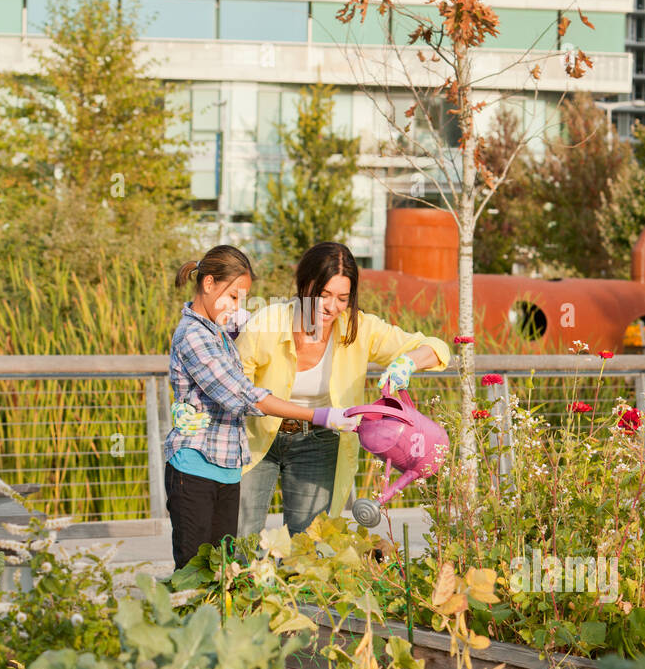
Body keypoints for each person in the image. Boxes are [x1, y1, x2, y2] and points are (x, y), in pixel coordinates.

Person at [235, 241, 451, 537]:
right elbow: (240, 393)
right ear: (304, 284)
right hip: (256, 438)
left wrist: (408, 363)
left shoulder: (358, 327)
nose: (331, 307)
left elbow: (437, 348)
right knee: (241, 535)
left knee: (307, 542)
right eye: (323, 295)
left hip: (318, 444)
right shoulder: (266, 324)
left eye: (342, 298)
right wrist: (317, 414)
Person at [164, 244, 360, 569]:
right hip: (194, 467)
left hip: (227, 469)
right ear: (208, 283)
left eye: (243, 299)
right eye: (233, 297)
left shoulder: (219, 332)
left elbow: (256, 336)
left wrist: (245, 321)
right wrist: (318, 415)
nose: (237, 307)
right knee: (194, 573)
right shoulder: (193, 337)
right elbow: (240, 395)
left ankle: (224, 620)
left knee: (226, 571)